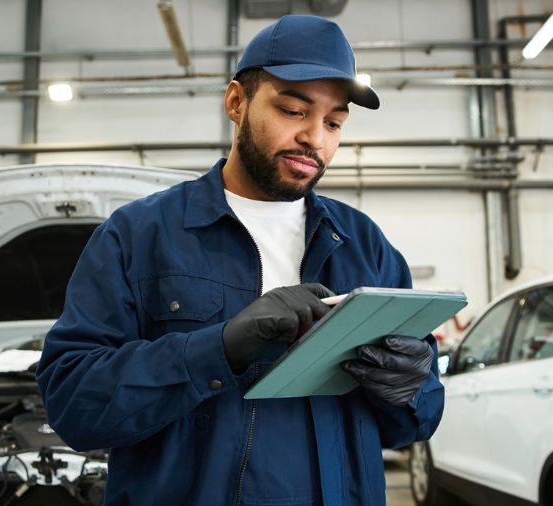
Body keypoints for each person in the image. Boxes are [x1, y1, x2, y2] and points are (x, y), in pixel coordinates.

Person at [36, 15, 444, 505]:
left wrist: (412, 386)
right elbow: (74, 403)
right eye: (294, 111)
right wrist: (220, 348)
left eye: (334, 122)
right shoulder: (139, 235)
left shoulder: (363, 243)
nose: (316, 139)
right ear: (236, 102)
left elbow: (414, 425)